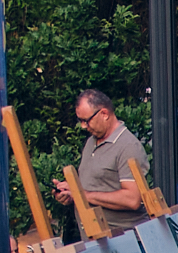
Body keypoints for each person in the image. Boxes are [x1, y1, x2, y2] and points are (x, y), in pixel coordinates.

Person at [61, 89, 148, 225]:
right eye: (80, 121)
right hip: (95, 237)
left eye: (86, 120)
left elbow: (132, 199)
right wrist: (70, 191)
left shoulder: (128, 146)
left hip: (123, 240)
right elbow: (94, 184)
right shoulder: (91, 141)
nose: (83, 126)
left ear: (104, 114)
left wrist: (82, 195)